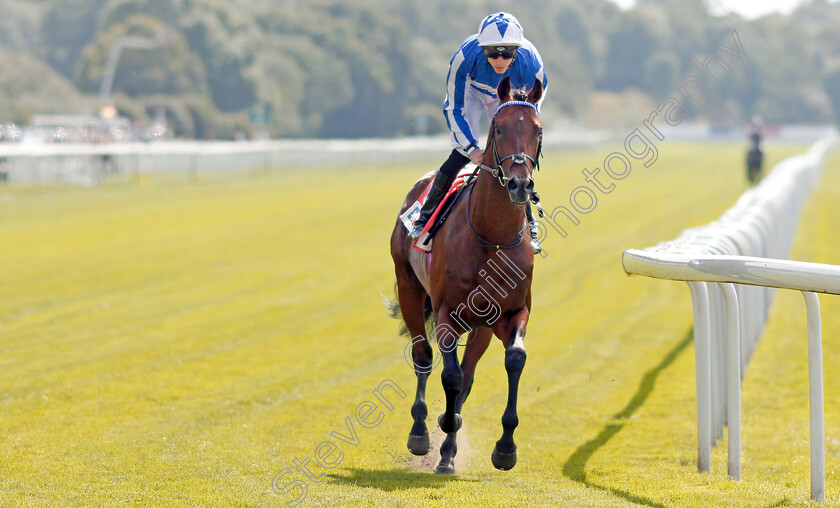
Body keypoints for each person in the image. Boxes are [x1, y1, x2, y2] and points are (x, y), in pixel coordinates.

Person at [409, 12, 548, 253]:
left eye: (507, 53)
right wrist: (472, 149)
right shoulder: (465, 57)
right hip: (472, 91)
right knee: (461, 153)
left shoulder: (532, 64)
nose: (500, 59)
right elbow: (454, 106)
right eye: (493, 52)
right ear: (481, 48)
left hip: (510, 94)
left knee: (516, 158)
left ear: (518, 50)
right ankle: (424, 217)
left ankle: (531, 225)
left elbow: (532, 114)